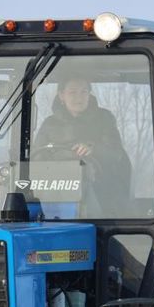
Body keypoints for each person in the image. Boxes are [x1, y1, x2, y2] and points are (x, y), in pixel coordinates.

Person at [34, 76, 132, 216]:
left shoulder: (104, 119)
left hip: (101, 190)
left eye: (83, 92)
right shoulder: (50, 124)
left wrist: (93, 148)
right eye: (72, 92)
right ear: (62, 95)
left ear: (89, 94)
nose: (78, 97)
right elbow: (37, 158)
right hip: (57, 191)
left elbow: (116, 153)